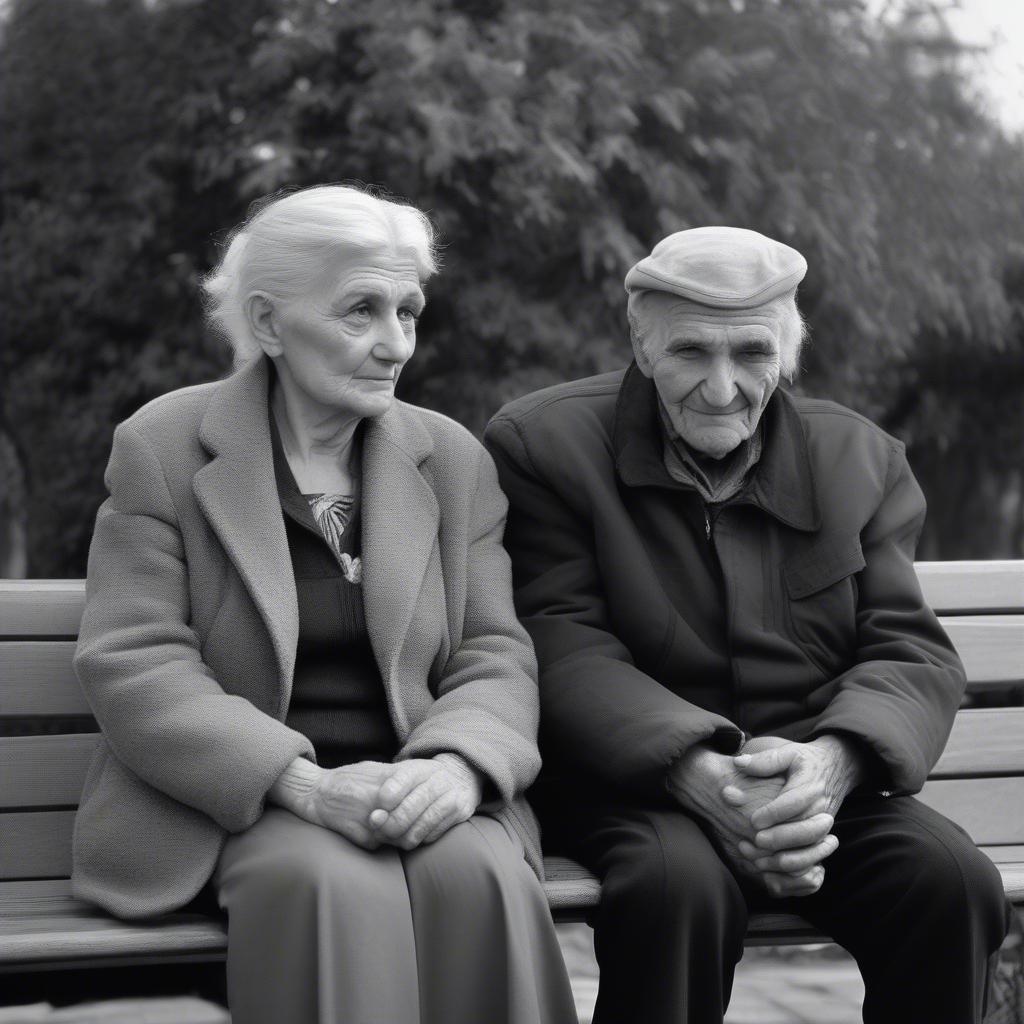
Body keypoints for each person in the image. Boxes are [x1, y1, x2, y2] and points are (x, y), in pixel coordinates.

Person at [72, 185, 577, 1024]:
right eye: (360, 312)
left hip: (415, 780)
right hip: (240, 802)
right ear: (268, 324)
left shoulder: (450, 458)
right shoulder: (162, 446)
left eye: (408, 310)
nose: (395, 344)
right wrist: (304, 788)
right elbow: (135, 660)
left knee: (480, 872)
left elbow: (496, 651)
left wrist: (455, 768)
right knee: (328, 880)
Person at [484, 226, 1011, 1024]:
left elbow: (909, 651)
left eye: (753, 355)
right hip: (633, 784)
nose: (724, 387)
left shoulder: (860, 459)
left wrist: (833, 765)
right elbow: (560, 643)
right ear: (641, 341)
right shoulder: (544, 444)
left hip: (817, 785)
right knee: (674, 888)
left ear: (789, 351)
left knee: (949, 883)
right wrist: (697, 772)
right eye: (692, 352)